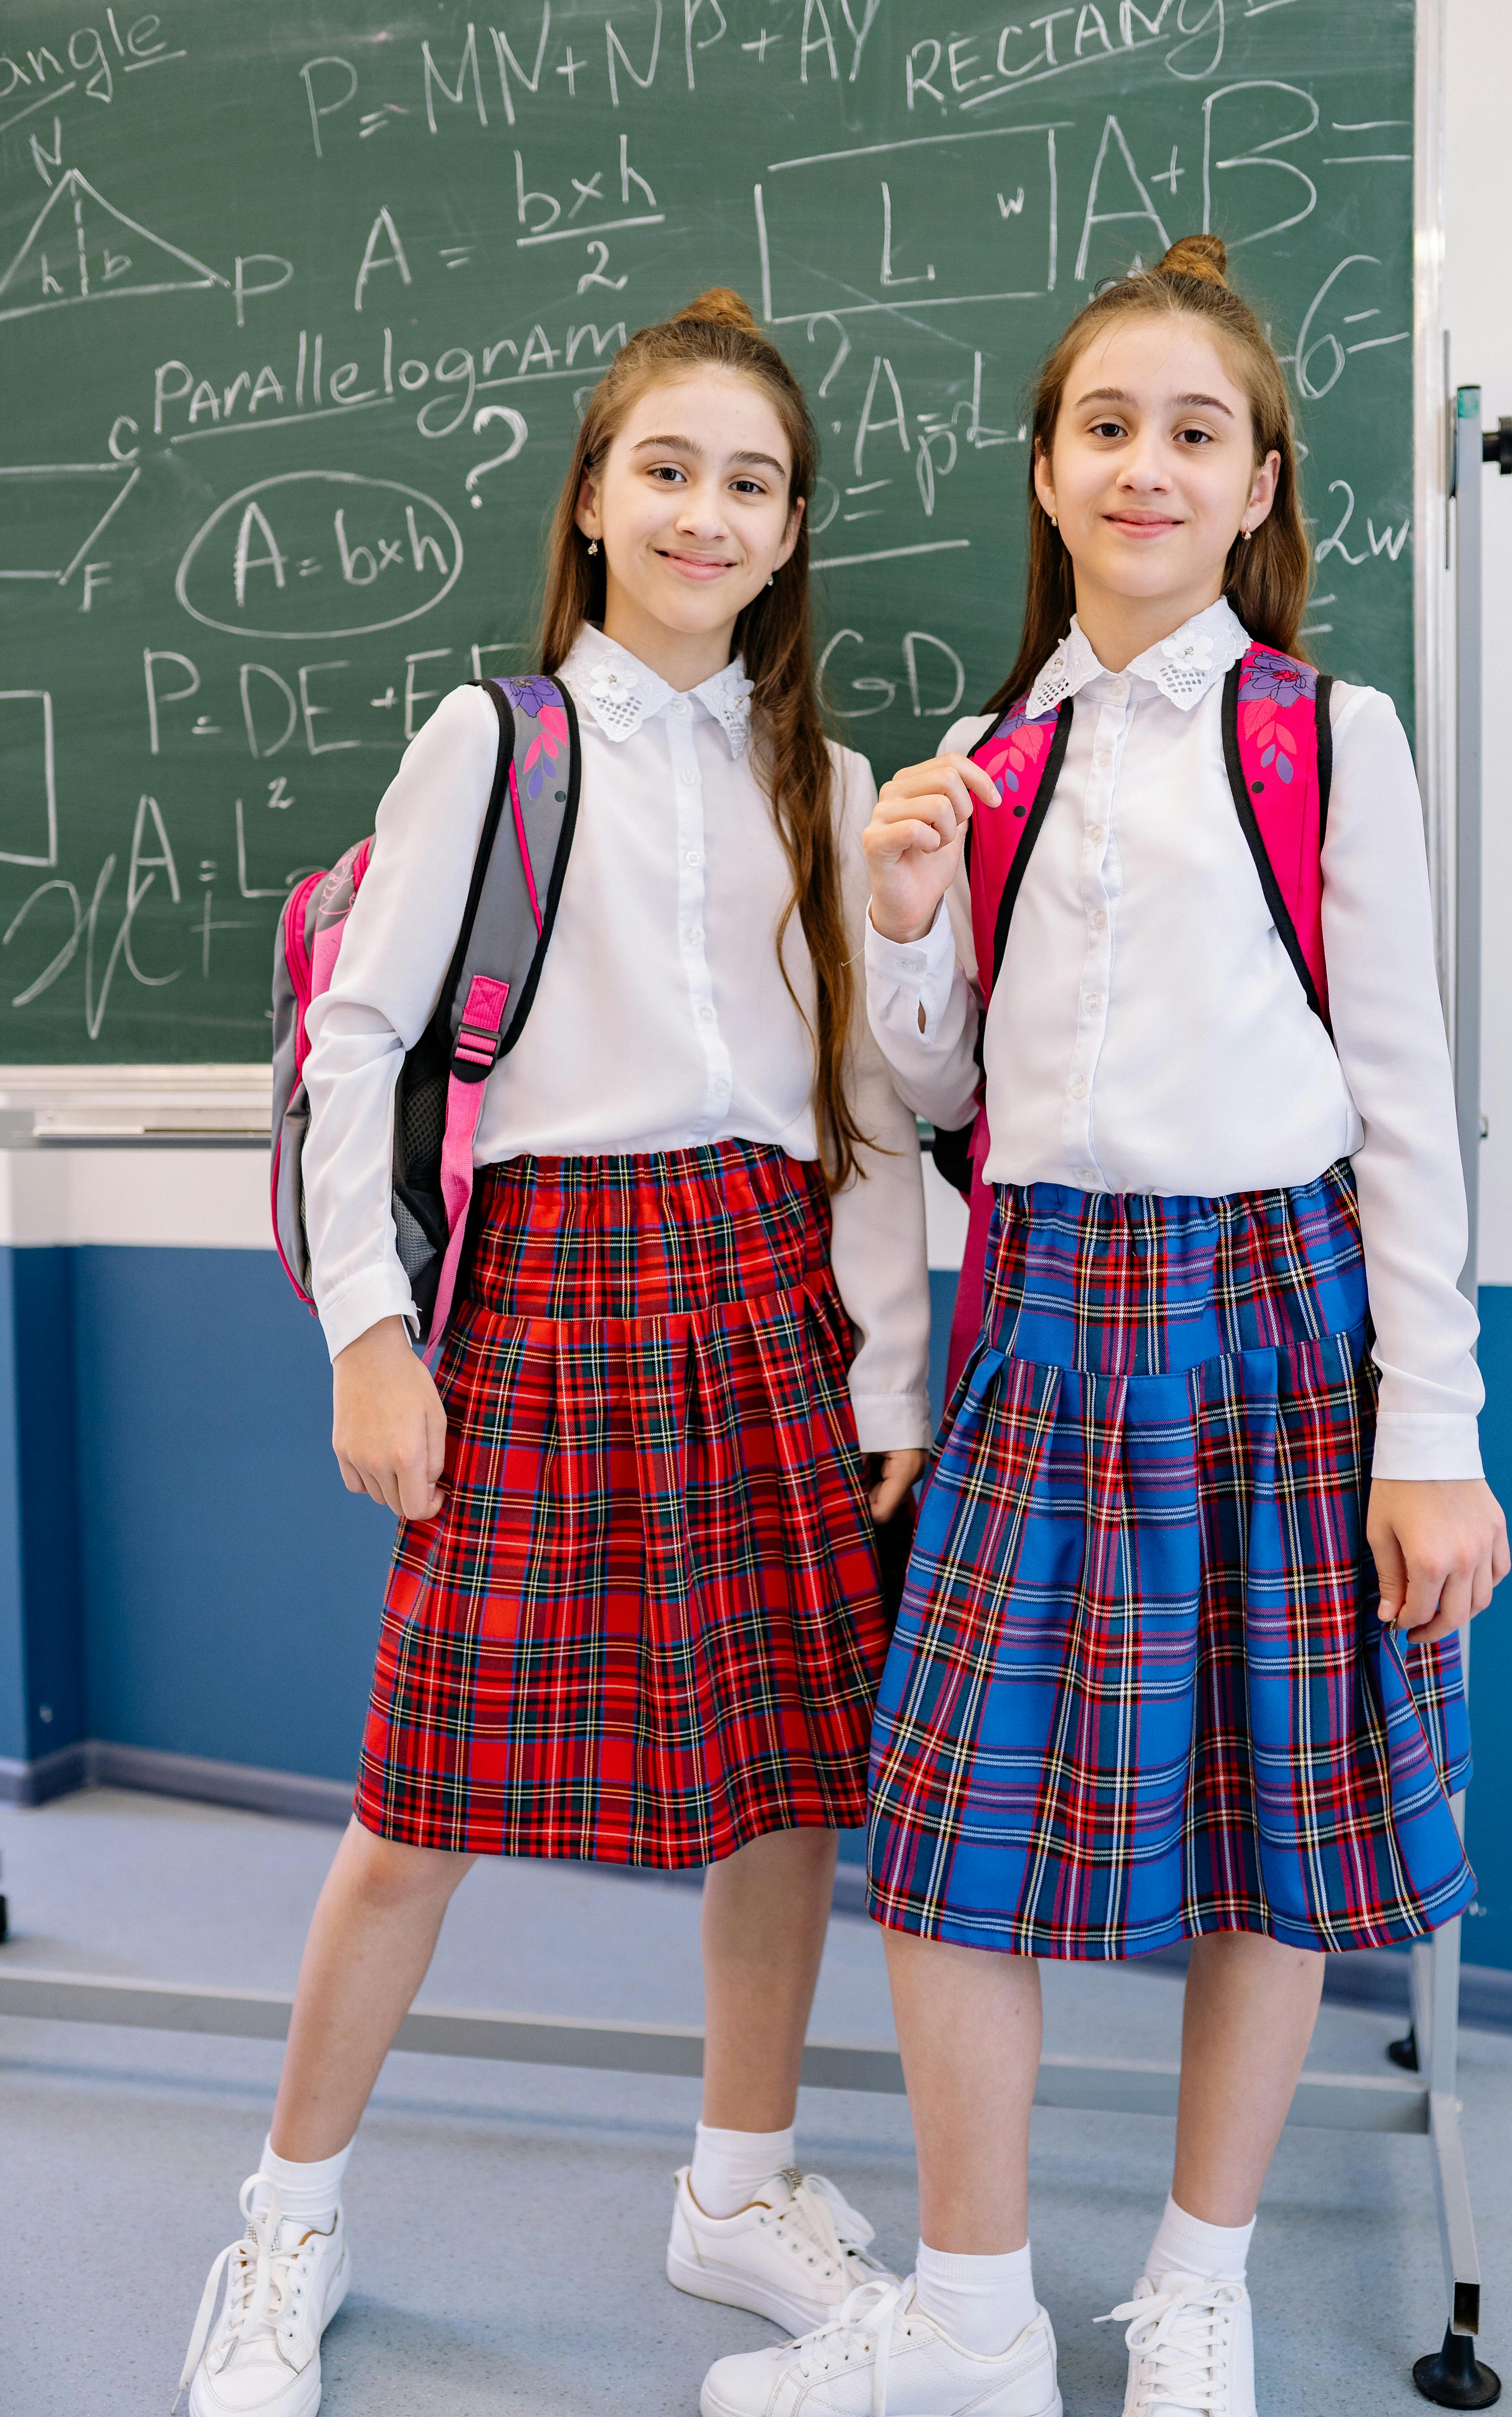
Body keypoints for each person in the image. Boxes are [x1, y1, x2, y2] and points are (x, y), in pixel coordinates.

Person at [699, 237, 1509, 2417]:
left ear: (1256, 488)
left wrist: (1426, 1428)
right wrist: (896, 915)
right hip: (1042, 1319)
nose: (1146, 466)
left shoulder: (1322, 736)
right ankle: (971, 2322)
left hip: (1273, 1319)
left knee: (1272, 1825)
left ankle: (1197, 2284)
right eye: (1103, 430)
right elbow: (944, 1098)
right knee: (951, 1841)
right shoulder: (990, 757)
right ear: (1044, 478)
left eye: (1193, 433)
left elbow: (1402, 1108)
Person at [177, 288, 932, 2417]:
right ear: (593, 504)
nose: (708, 510)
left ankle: (738, 2178)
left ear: (792, 535)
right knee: (421, 1794)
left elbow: (860, 1111)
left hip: (764, 1294)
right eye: (666, 469)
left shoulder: (833, 782)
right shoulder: (491, 743)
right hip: (549, 1296)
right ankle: (288, 2222)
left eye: (752, 482)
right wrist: (368, 1331)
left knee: (788, 1776)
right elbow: (358, 1046)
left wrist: (886, 1375)